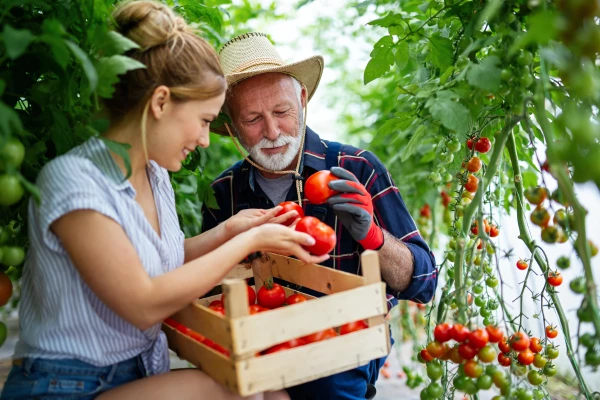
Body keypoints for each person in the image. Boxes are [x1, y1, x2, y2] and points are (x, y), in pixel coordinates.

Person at [0, 4, 328, 400]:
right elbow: (143, 303)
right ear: (159, 103)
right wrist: (247, 244)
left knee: (268, 391)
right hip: (66, 385)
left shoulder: (155, 176)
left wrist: (230, 229)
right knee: (238, 390)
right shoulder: (74, 182)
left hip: (134, 373)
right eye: (205, 120)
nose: (206, 140)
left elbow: (156, 260)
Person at [202, 33, 438, 400]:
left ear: (302, 99)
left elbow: (423, 281)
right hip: (259, 337)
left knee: (325, 381)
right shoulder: (223, 192)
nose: (272, 131)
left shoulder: (356, 168)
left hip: (348, 338)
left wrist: (373, 236)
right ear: (231, 126)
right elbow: (211, 294)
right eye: (252, 119)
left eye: (281, 111)